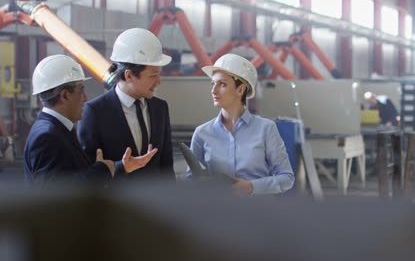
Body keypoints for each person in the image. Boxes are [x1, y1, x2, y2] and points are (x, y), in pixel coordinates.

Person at [24, 55, 158, 186]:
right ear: (65, 96)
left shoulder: (56, 130)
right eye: (81, 91)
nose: (85, 98)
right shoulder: (47, 137)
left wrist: (120, 167)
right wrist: (102, 169)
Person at [186, 53, 294, 195]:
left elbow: (287, 178)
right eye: (213, 84)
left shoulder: (266, 129)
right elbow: (191, 180)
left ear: (240, 89)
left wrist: (252, 186)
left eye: (222, 84)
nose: (214, 90)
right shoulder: (202, 133)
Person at [78, 28, 175, 182]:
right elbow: (87, 171)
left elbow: (166, 165)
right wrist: (119, 167)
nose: (158, 82)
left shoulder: (160, 108)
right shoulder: (95, 112)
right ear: (129, 75)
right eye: (152, 76)